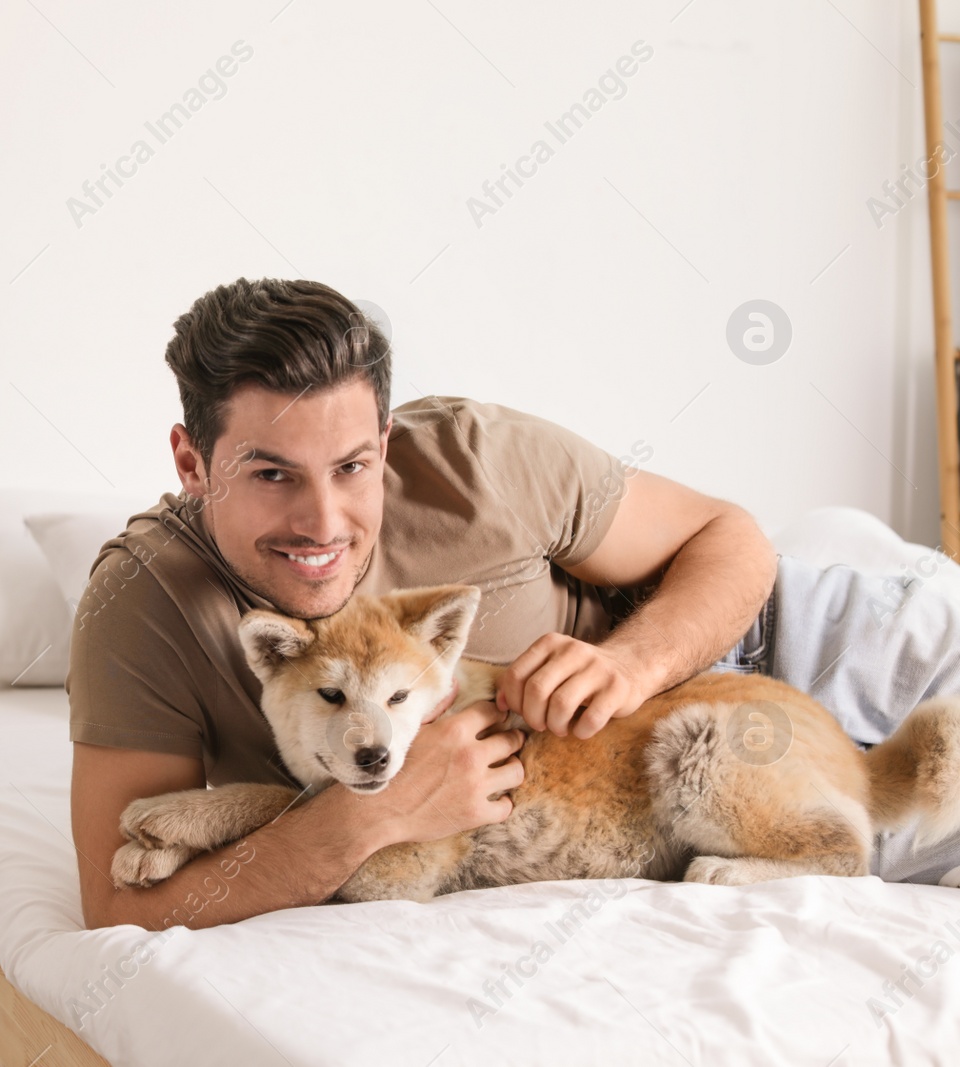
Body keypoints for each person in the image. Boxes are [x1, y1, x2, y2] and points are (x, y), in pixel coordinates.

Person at [67, 277, 960, 932]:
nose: (324, 523)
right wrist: (374, 811)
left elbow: (734, 539)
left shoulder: (476, 456)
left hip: (786, 638)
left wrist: (632, 663)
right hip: (673, 810)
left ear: (385, 441)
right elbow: (120, 903)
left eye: (353, 467)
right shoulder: (145, 605)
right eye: (271, 475)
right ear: (192, 464)